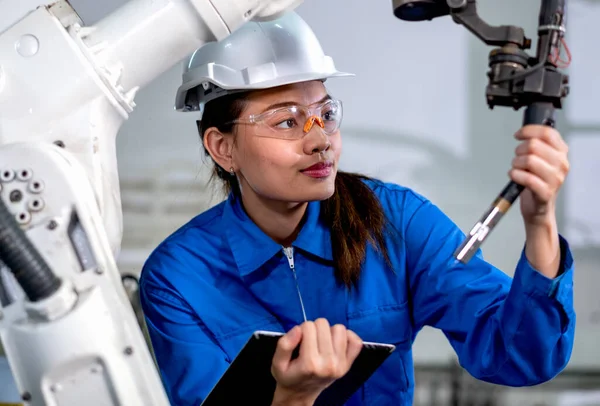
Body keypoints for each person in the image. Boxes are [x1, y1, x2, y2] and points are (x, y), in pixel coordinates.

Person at [139, 11, 575, 406]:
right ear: (222, 148)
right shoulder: (178, 278)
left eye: (326, 114)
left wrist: (539, 223)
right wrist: (294, 397)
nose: (320, 140)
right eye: (287, 121)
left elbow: (519, 356)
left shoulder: (395, 223)